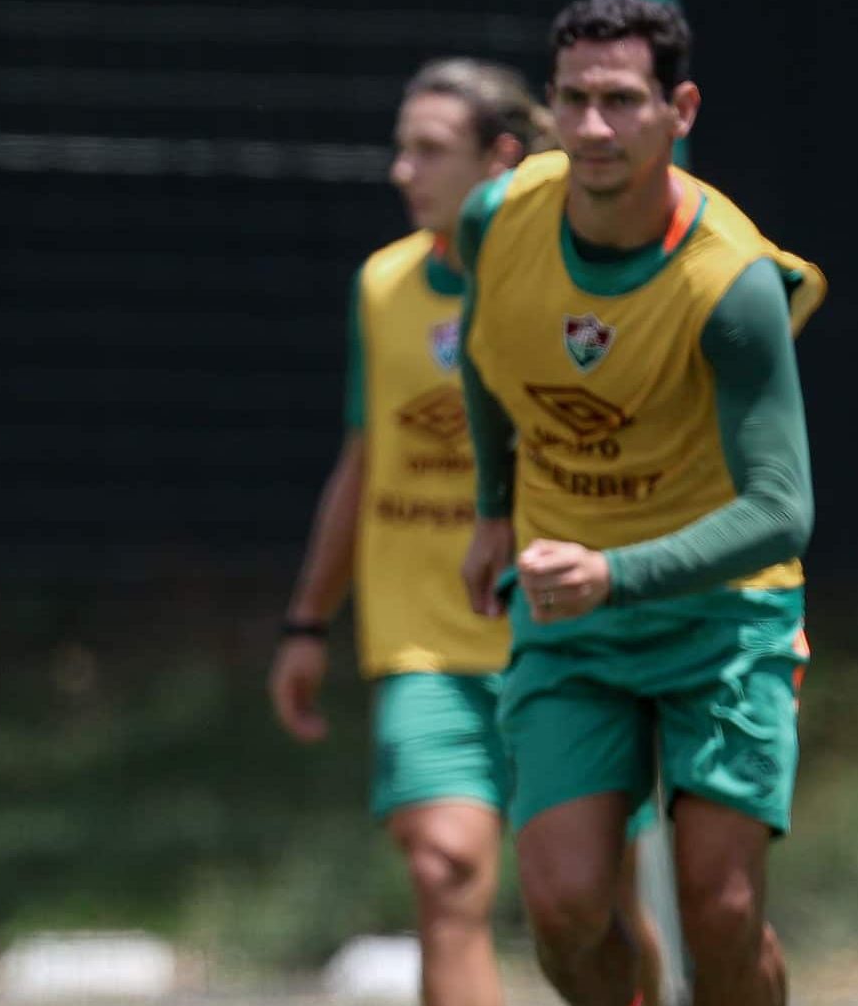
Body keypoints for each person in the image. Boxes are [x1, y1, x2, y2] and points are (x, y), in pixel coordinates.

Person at [457, 0, 825, 1006]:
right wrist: (494, 506)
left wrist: (617, 572)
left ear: (680, 110)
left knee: (720, 912)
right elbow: (491, 366)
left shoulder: (728, 282)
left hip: (721, 619)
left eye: (619, 100)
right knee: (564, 909)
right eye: (571, 100)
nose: (590, 129)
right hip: (572, 622)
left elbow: (781, 509)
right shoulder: (498, 219)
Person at [271, 59, 664, 1006]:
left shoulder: (578, 280)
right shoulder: (384, 283)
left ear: (500, 158)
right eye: (401, 148)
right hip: (425, 639)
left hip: (568, 638)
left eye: (427, 151)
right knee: (445, 873)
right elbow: (366, 461)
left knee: (593, 902)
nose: (402, 171)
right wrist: (307, 623)